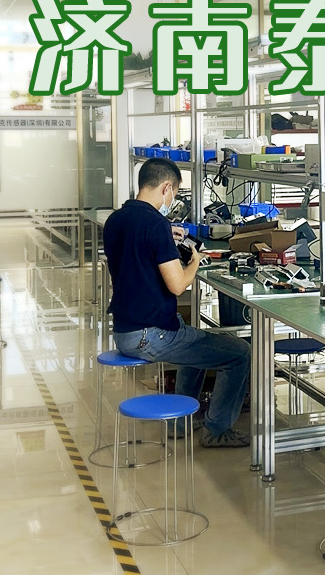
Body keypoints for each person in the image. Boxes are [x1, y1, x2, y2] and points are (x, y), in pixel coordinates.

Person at [106, 158, 252, 448]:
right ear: (166, 188)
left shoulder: (116, 219)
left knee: (193, 338)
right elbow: (177, 285)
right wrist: (195, 261)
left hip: (124, 329)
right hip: (149, 335)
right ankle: (217, 430)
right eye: (173, 194)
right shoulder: (155, 224)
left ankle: (180, 422)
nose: (171, 201)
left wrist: (165, 236)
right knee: (240, 353)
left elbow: (137, 254)